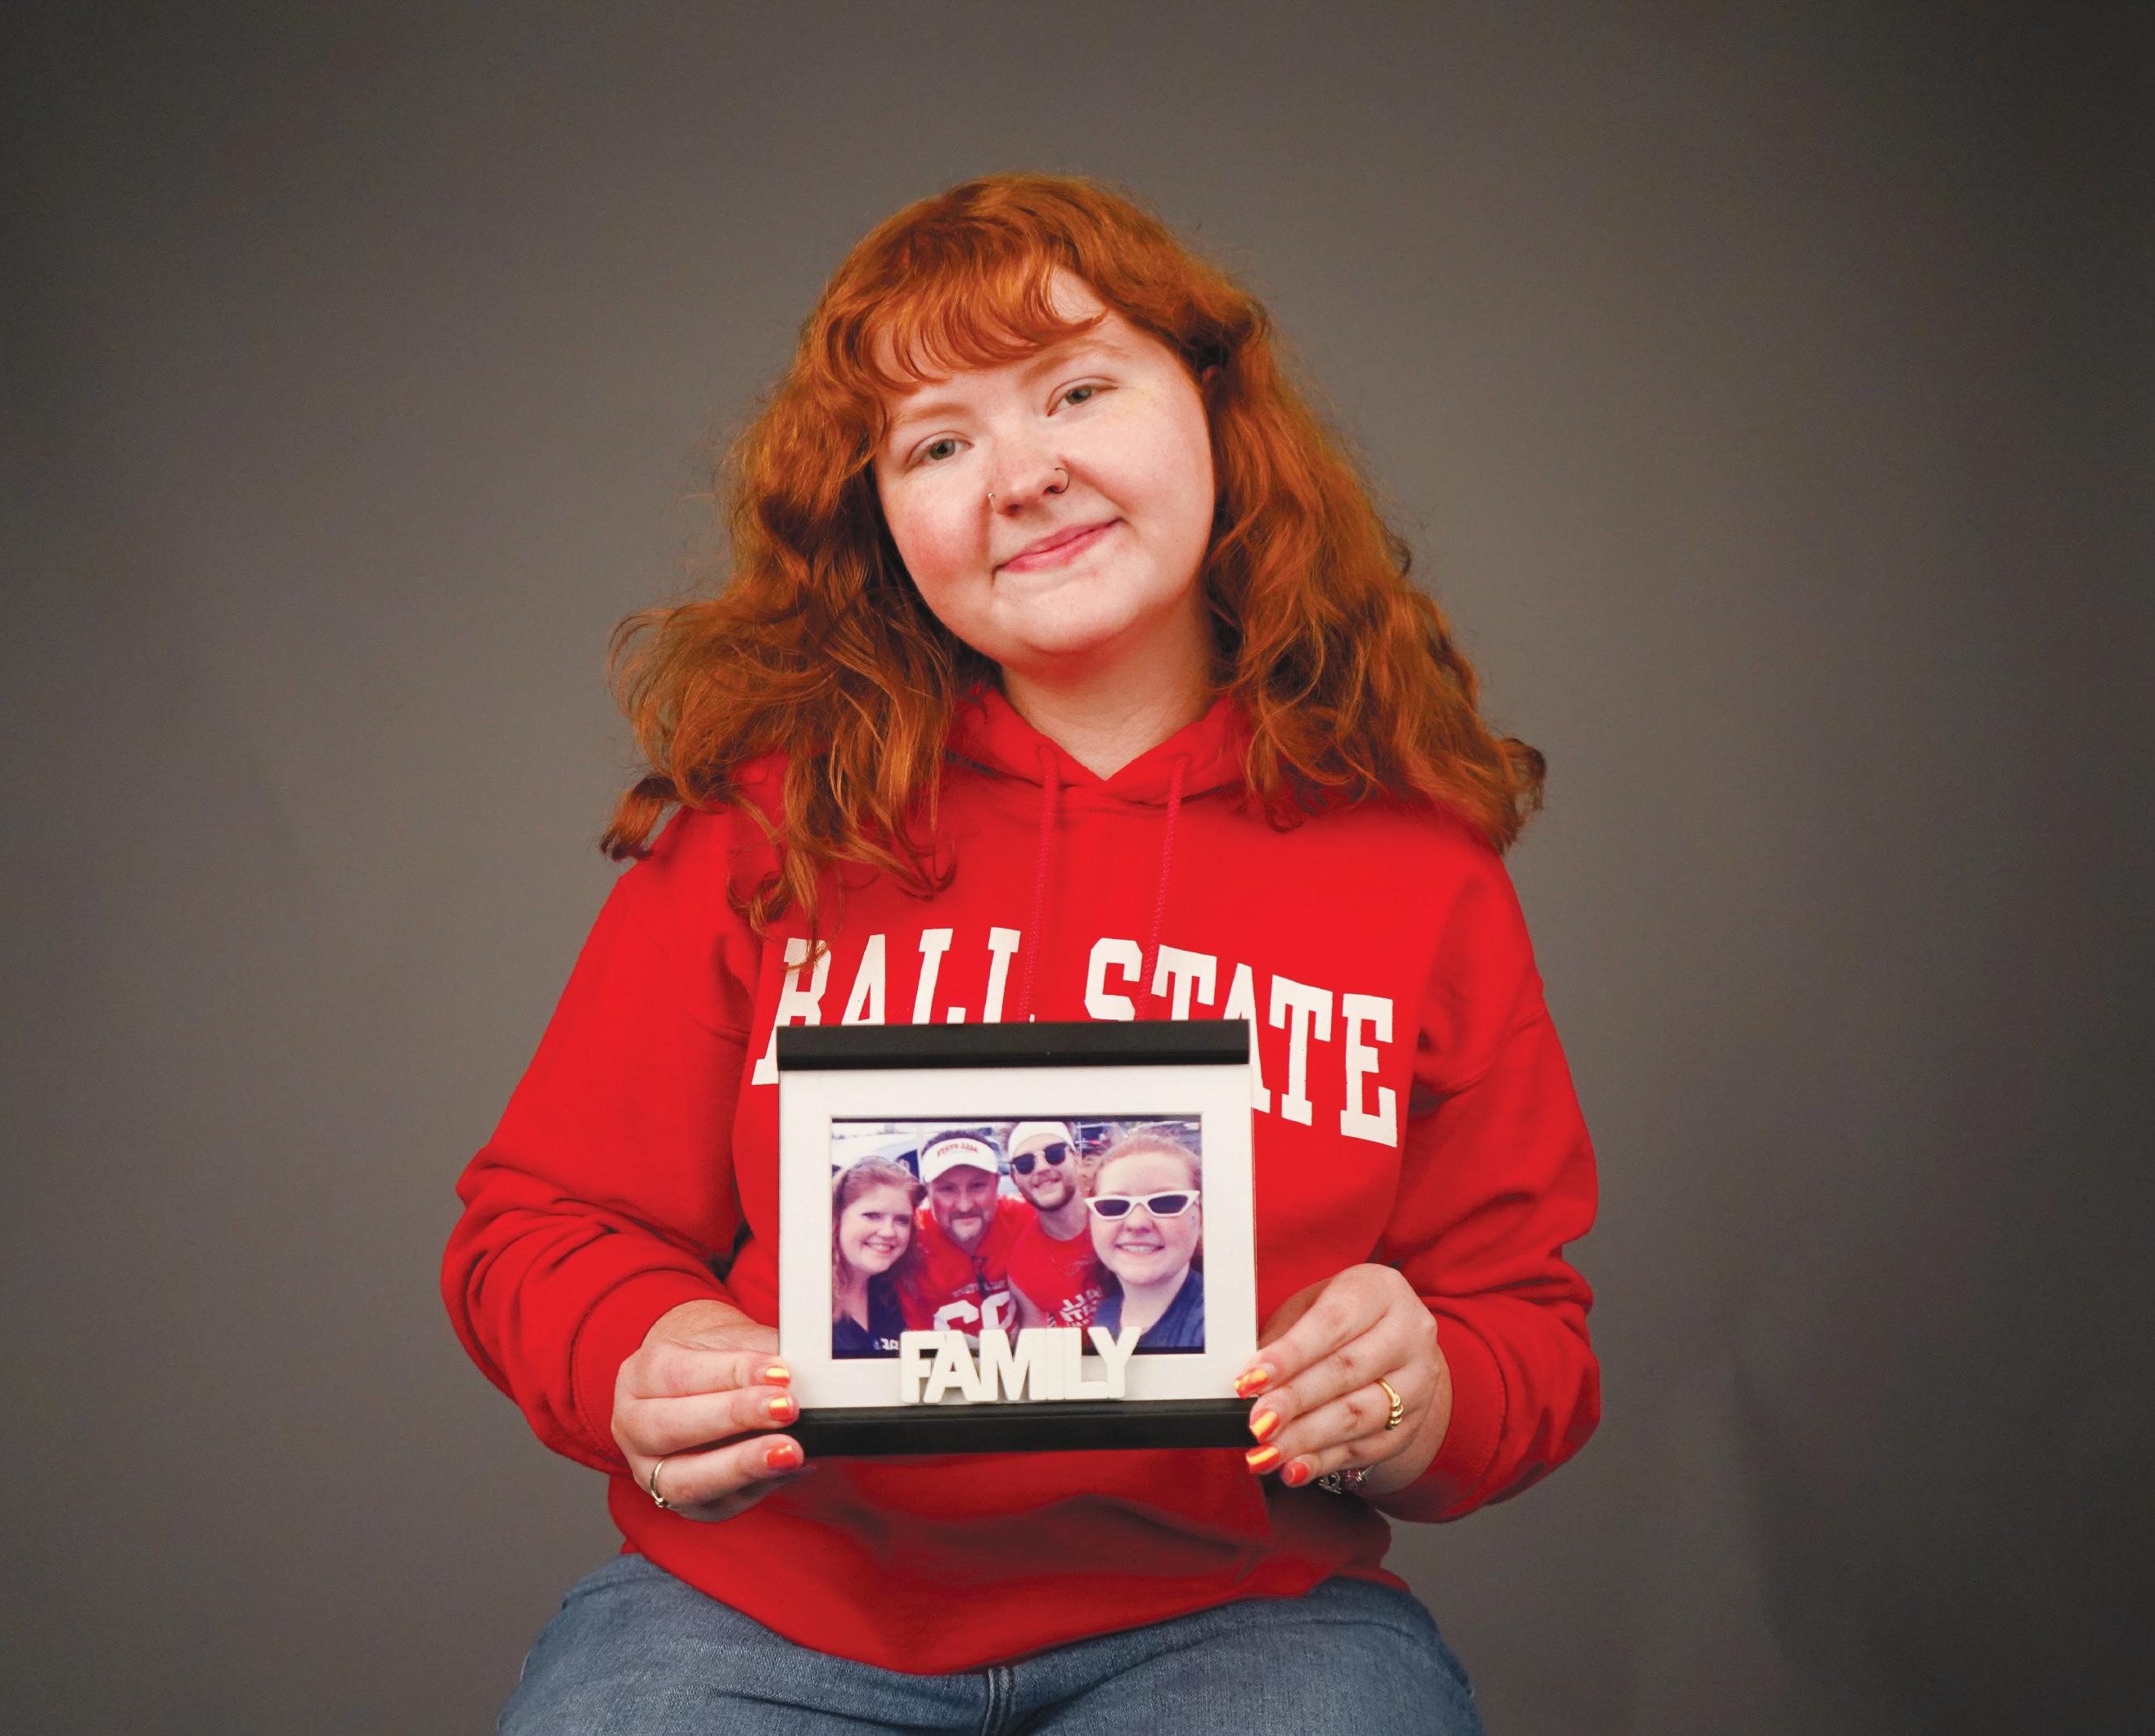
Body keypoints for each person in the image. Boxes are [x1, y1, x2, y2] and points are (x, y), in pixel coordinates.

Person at [445, 171, 1599, 1733]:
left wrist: (1423, 1388)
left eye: (1074, 389)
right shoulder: (770, 828)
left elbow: (1524, 1324)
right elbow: (541, 1222)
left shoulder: (1417, 864)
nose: (1024, 474)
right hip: (759, 1606)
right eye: (937, 442)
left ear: (1214, 409)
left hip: (1240, 1622)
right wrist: (640, 1350)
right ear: (876, 520)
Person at [897, 1130, 1031, 1337]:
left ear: (996, 1183)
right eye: (947, 1189)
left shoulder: (1024, 1218)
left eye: (977, 1186)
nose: (965, 1205)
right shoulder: (906, 1241)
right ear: (927, 1192)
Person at [1084, 1131, 1206, 1353]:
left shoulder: (1216, 1325)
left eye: (1166, 1203)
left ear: (1201, 1216)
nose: (1137, 1222)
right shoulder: (1107, 1312)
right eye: (1113, 1206)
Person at [1002, 1120, 1104, 1329]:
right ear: (1014, 1178)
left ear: (1076, 1158)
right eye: (1025, 1163)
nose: (1041, 1168)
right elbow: (1035, 1333)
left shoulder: (1117, 1217)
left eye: (1054, 1154)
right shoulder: (1022, 1266)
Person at [830, 1158, 921, 1359]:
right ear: (837, 1217)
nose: (889, 1231)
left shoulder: (895, 1296)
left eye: (902, 1220)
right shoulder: (805, 1300)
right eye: (872, 1216)